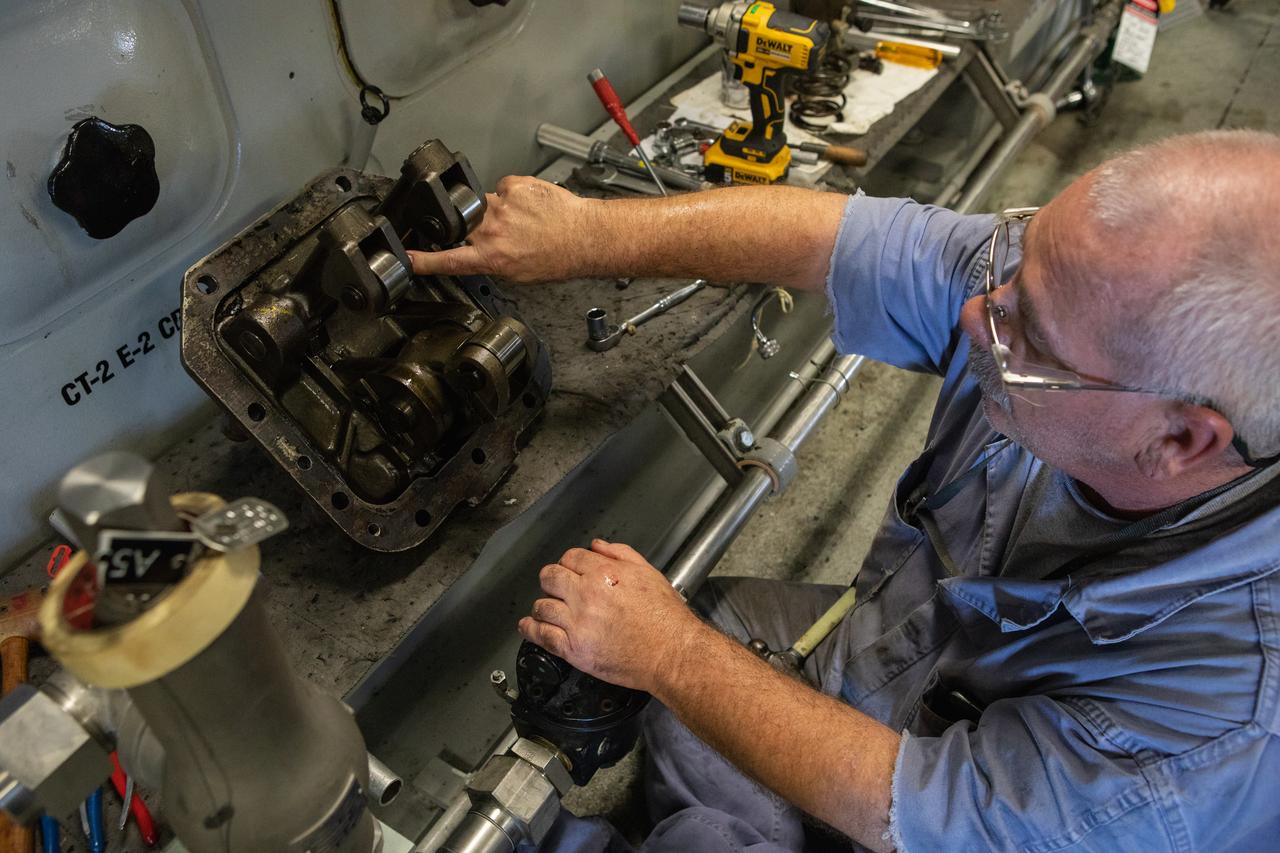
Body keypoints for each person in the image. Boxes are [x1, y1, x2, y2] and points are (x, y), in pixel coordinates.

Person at [409, 130, 1280, 852]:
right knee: (713, 627)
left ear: (1177, 439)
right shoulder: (1079, 299)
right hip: (903, 662)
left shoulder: (1220, 723)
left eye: (1028, 335)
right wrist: (586, 237)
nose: (979, 311)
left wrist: (670, 656)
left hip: (965, 817)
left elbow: (933, 812)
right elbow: (843, 241)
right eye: (1015, 263)